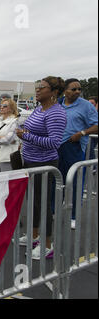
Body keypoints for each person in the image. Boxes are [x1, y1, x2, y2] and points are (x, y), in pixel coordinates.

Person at [16, 76, 67, 260]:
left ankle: (47, 245)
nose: (37, 90)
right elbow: (33, 129)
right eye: (37, 86)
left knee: (43, 203)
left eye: (42, 87)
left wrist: (27, 136)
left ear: (53, 92)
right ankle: (35, 235)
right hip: (30, 160)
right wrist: (23, 132)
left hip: (44, 163)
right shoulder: (39, 109)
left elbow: (54, 142)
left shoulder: (56, 112)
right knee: (34, 202)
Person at [58, 79, 98, 229]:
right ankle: (55, 210)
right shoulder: (58, 103)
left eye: (79, 89)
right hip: (55, 147)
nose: (77, 92)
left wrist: (82, 133)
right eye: (73, 89)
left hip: (73, 147)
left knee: (75, 182)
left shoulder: (86, 105)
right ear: (65, 90)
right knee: (56, 180)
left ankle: (74, 215)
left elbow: (96, 125)